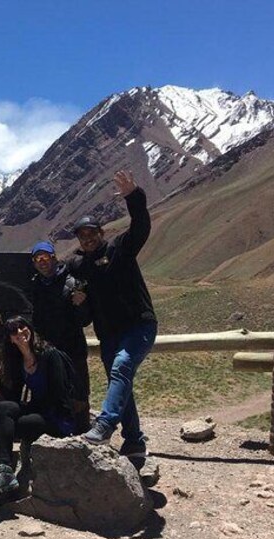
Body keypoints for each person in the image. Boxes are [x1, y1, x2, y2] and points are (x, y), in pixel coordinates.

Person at [68, 170, 157, 459]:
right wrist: (78, 302)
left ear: (101, 233)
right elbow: (83, 317)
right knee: (122, 381)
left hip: (138, 326)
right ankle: (134, 441)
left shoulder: (121, 248)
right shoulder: (79, 267)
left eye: (92, 233)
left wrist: (134, 196)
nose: (88, 239)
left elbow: (141, 226)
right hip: (108, 334)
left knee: (121, 367)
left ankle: (105, 423)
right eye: (82, 235)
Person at [0, 316, 74, 506]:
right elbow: (13, 398)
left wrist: (30, 409)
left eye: (23, 328)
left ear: (30, 329)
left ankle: (6, 477)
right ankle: (5, 471)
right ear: (10, 339)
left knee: (11, 425)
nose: (20, 333)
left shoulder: (50, 355)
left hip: (56, 416)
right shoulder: (17, 360)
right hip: (38, 410)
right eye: (14, 331)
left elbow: (59, 396)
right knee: (2, 409)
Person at [28, 240, 92, 433]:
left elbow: (85, 320)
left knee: (78, 395)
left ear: (54, 258)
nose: (42, 262)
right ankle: (54, 433)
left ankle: (82, 436)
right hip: (47, 351)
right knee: (51, 394)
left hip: (73, 349)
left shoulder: (72, 282)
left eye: (45, 257)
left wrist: (82, 305)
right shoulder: (34, 286)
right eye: (38, 258)